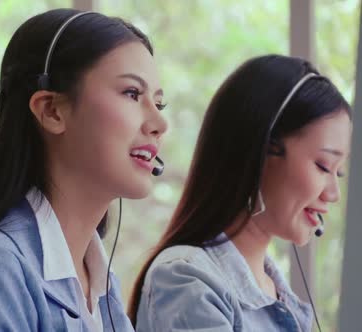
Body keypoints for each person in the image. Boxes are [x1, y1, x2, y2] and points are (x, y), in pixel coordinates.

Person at [0, 8, 167, 331]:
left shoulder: (101, 285)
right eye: (132, 94)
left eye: (158, 104)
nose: (160, 123)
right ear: (51, 110)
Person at [129, 54, 352, 331]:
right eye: (323, 166)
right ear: (260, 151)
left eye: (339, 173)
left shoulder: (279, 295)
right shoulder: (188, 279)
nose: (333, 194)